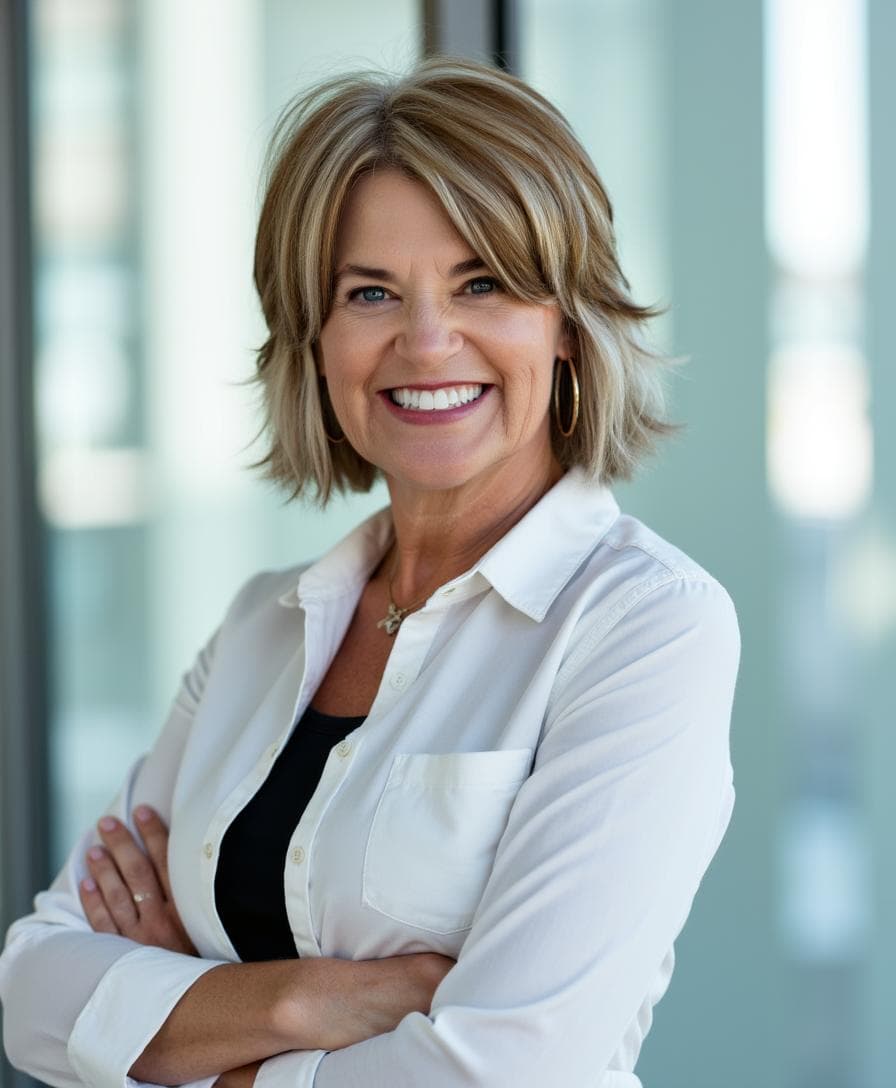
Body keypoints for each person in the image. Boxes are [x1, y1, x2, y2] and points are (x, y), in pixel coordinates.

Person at [0, 57, 740, 1088]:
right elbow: (34, 987)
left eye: (481, 281)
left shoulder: (645, 626)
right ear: (313, 342)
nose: (427, 340)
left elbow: (504, 1070)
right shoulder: (260, 625)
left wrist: (185, 1025)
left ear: (565, 324)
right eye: (369, 292)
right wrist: (312, 998)